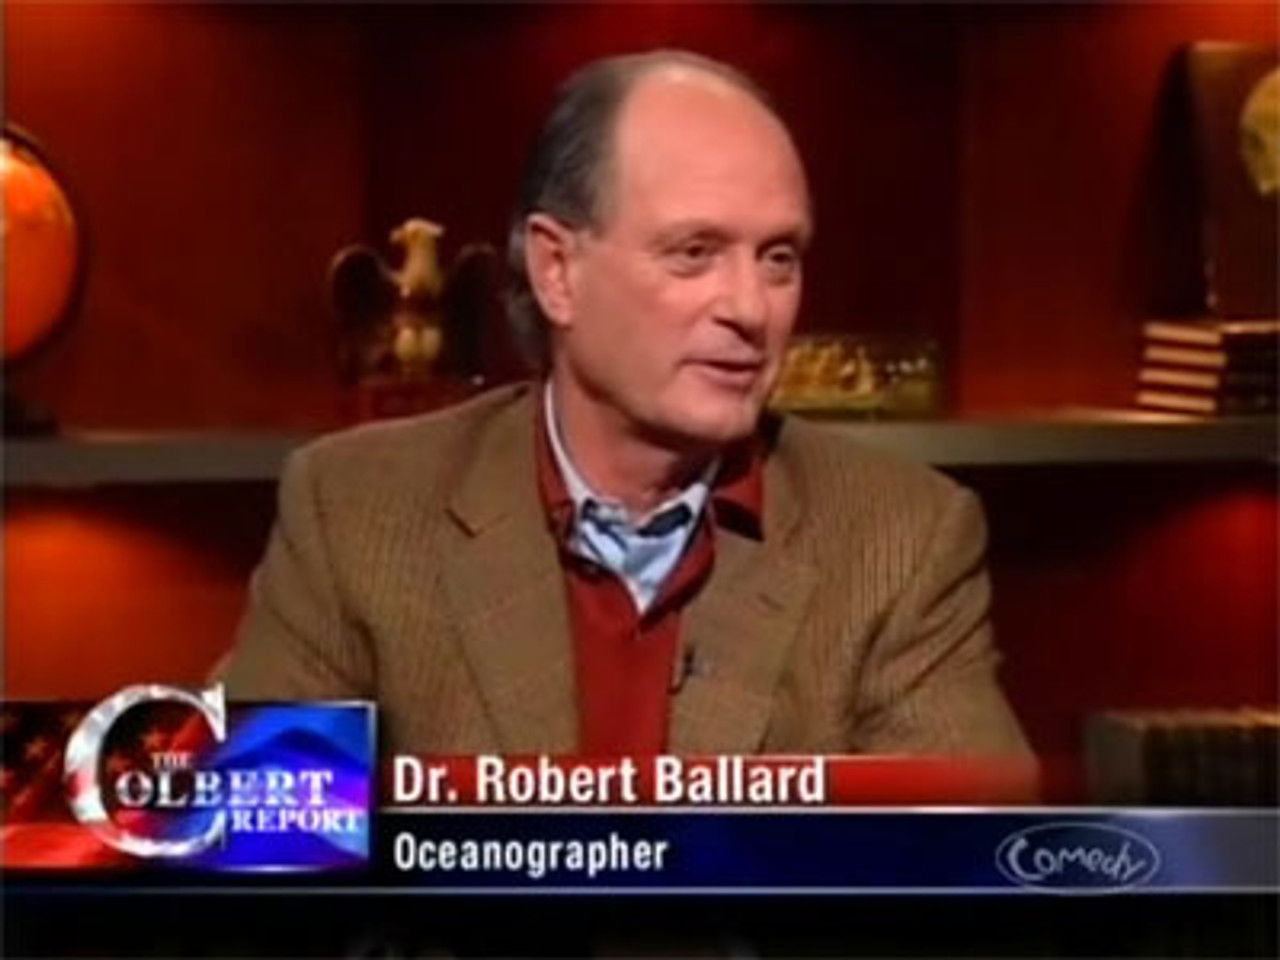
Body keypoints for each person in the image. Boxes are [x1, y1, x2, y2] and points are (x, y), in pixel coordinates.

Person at [222, 50, 1032, 771]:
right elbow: (249, 848)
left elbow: (971, 869)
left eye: (778, 258)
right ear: (557, 272)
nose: (751, 308)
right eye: (694, 253)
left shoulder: (902, 538)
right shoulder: (357, 512)